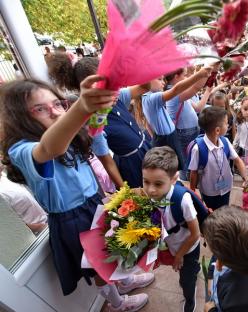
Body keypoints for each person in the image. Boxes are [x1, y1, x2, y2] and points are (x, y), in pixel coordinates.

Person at [0, 77, 152, 311]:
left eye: (57, 104)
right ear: (20, 117)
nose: (54, 112)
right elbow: (52, 147)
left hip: (92, 203)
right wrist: (82, 105)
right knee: (99, 267)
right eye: (40, 109)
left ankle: (124, 281)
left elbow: (86, 161)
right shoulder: (21, 149)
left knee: (113, 250)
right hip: (73, 219)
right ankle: (117, 303)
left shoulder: (69, 135)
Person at [47, 53, 148, 188]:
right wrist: (126, 191)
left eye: (109, 81)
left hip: (147, 149)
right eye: (101, 86)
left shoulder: (118, 96)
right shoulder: (95, 122)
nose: (109, 88)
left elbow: (144, 87)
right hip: (133, 166)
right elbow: (107, 162)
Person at [142, 146, 200, 312]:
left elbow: (195, 234)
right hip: (172, 245)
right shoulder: (152, 195)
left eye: (158, 184)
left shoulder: (183, 200)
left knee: (187, 280)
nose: (151, 189)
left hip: (188, 249)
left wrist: (179, 255)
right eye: (146, 181)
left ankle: (190, 298)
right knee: (184, 274)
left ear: (174, 178)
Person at [203, 206, 248, 312]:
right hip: (217, 293)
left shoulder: (245, 303)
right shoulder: (228, 252)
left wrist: (211, 311)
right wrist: (210, 278)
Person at [142, 68, 211, 172]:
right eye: (159, 79)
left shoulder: (150, 97)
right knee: (177, 166)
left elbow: (148, 123)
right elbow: (187, 88)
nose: (163, 82)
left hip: (168, 136)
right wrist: (201, 74)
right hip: (167, 138)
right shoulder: (152, 98)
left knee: (175, 166)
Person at [189, 107, 248, 210]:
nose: (228, 125)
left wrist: (246, 178)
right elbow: (193, 172)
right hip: (209, 192)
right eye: (226, 123)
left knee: (224, 209)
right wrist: (192, 192)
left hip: (226, 187)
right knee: (211, 213)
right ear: (217, 130)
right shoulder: (198, 149)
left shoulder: (225, 141)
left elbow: (237, 160)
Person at [165, 67, 213, 180]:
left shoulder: (179, 92)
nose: (186, 78)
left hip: (190, 132)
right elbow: (196, 87)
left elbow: (198, 108)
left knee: (192, 160)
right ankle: (187, 184)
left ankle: (190, 182)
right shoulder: (173, 93)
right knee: (187, 163)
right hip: (184, 133)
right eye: (184, 75)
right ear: (176, 77)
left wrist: (208, 91)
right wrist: (206, 71)